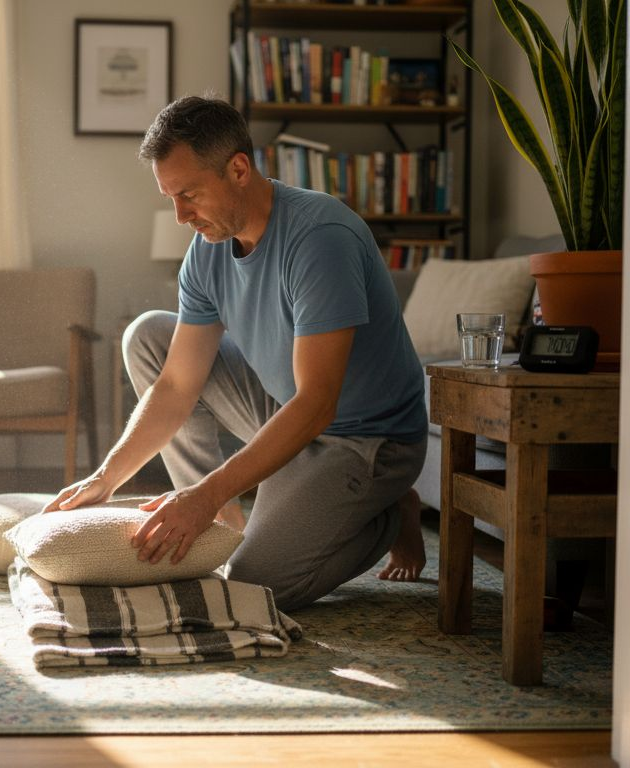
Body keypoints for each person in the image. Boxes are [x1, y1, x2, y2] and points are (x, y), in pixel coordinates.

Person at [44, 96, 428, 611]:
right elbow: (178, 384)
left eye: (190, 194)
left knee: (254, 584)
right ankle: (220, 520)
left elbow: (318, 404)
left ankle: (386, 512)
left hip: (363, 437)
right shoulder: (207, 252)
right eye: (170, 198)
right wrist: (106, 477)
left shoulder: (320, 239)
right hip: (284, 407)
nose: (180, 216)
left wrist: (206, 493)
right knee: (149, 336)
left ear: (239, 169)